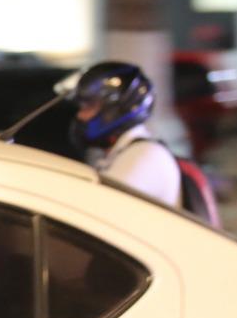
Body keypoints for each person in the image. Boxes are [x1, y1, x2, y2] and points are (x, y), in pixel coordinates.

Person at [71, 61, 181, 208]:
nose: (81, 115)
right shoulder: (119, 152)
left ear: (116, 109)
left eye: (89, 106)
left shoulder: (144, 154)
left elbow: (99, 209)